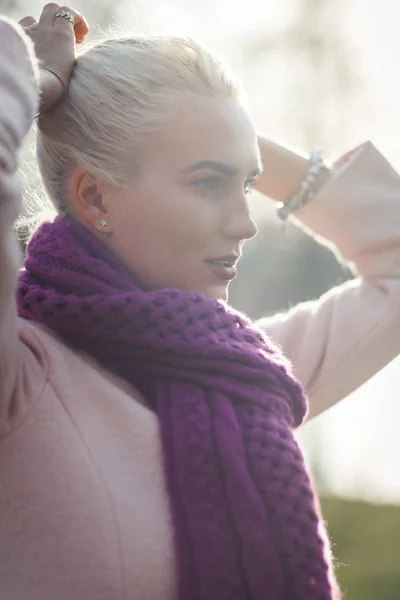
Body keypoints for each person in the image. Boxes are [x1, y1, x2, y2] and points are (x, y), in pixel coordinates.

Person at [0, 4, 399, 600]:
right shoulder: (20, 378)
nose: (246, 224)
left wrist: (210, 130)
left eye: (246, 185)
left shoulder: (250, 372)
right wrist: (34, 76)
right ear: (94, 196)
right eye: (208, 183)